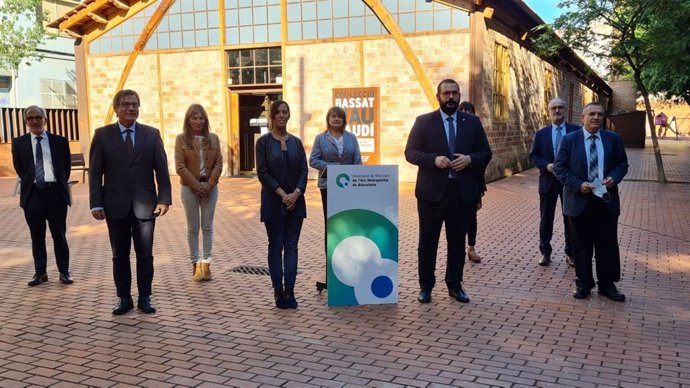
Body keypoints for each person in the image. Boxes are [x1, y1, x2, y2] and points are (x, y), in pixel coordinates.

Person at [405, 79, 492, 304]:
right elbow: (411, 152)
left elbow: (486, 152)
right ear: (438, 96)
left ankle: (455, 285)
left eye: (454, 93)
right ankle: (426, 287)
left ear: (459, 95)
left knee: (456, 243)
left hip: (462, 194)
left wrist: (470, 159)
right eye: (446, 93)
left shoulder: (472, 122)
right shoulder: (424, 122)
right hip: (431, 194)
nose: (451, 97)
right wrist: (434, 160)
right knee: (427, 243)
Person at [89, 89, 172, 315]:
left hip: (145, 205)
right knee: (120, 255)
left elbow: (162, 170)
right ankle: (123, 298)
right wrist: (96, 203)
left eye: (135, 104)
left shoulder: (151, 134)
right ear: (116, 109)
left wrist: (164, 199)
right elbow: (95, 173)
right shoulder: (102, 135)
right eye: (125, 105)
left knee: (145, 254)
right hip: (114, 205)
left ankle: (145, 296)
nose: (131, 108)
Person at [553, 102, 628, 302]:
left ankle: (607, 284)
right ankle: (583, 283)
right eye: (592, 114)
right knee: (581, 246)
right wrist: (578, 185)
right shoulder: (569, 140)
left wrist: (614, 177)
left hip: (606, 199)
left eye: (600, 114)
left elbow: (622, 164)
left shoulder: (613, 139)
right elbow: (560, 168)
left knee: (607, 244)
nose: (596, 117)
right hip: (579, 200)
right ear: (582, 118)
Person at [11, 105, 73, 286]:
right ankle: (40, 273)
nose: (35, 121)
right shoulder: (19, 143)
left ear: (45, 119)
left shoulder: (59, 141)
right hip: (33, 195)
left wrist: (54, 182)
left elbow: (65, 168)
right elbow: (20, 169)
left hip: (55, 194)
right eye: (30, 118)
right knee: (36, 236)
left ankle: (64, 272)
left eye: (38, 117)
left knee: (59, 235)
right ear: (26, 122)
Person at [256, 100, 308, 309]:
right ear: (272, 116)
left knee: (292, 247)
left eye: (285, 112)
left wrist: (295, 194)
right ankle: (278, 291)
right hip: (273, 202)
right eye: (278, 112)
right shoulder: (263, 143)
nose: (282, 116)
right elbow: (263, 173)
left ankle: (290, 291)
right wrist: (282, 194)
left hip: (296, 203)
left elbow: (304, 171)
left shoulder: (296, 142)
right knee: (276, 247)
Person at [308, 106, 362, 285]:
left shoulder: (351, 138)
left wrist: (348, 172)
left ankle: (349, 267)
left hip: (349, 188)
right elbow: (313, 160)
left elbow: (358, 162)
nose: (336, 119)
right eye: (333, 116)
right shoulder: (320, 138)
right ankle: (331, 269)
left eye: (340, 117)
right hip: (328, 187)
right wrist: (332, 168)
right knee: (331, 226)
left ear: (344, 120)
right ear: (328, 119)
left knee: (348, 225)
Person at [174, 104, 223, 282]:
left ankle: (206, 264)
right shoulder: (181, 139)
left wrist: (209, 185)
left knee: (207, 226)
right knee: (193, 227)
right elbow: (180, 166)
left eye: (201, 118)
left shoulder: (213, 138)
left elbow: (219, 163)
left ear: (205, 120)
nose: (198, 121)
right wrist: (197, 186)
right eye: (194, 118)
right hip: (189, 188)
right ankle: (195, 264)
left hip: (210, 188)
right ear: (188, 120)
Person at [529, 97, 578, 267]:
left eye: (560, 108)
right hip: (548, 181)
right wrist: (546, 165)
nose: (557, 111)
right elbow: (533, 156)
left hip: (569, 183)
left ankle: (571, 253)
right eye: (553, 108)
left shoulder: (575, 131)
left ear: (565, 110)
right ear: (548, 112)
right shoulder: (541, 134)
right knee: (546, 218)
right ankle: (545, 252)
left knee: (570, 218)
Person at [457, 101, 485, 264]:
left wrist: (471, 161)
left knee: (472, 216)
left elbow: (484, 154)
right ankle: (458, 248)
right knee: (457, 217)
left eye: (470, 112)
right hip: (456, 181)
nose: (467, 115)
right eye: (464, 112)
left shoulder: (476, 131)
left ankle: (471, 248)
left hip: (473, 180)